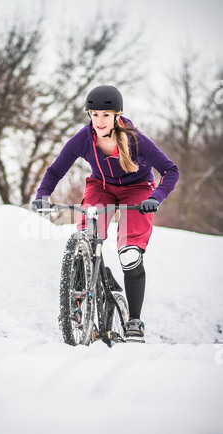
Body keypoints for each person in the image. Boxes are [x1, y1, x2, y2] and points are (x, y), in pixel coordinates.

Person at [31, 85, 179, 342]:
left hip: (138, 192)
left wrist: (155, 198)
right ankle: (78, 305)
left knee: (130, 254)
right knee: (86, 236)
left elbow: (170, 170)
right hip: (101, 188)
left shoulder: (135, 140)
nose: (99, 121)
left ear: (117, 115)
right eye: (95, 114)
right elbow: (55, 171)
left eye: (105, 115)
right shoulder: (83, 139)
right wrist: (42, 196)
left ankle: (134, 321)